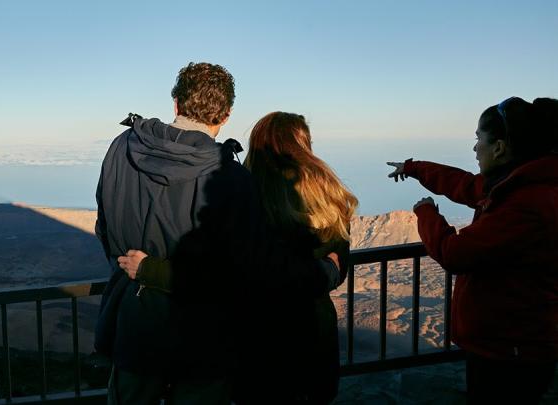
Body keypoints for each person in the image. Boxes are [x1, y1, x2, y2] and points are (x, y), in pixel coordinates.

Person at [120, 112, 357, 403]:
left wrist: (149, 269)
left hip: (258, 342)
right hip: (313, 337)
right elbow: (335, 264)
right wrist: (327, 273)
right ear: (303, 144)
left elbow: (230, 275)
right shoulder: (331, 198)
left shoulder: (246, 194)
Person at [94, 62, 253, 404]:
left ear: (177, 104)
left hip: (135, 326)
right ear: (225, 116)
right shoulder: (232, 176)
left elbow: (104, 225)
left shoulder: (123, 148)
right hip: (204, 339)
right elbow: (237, 271)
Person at [387, 97, 558, 404]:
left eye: (479, 139)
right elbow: (465, 185)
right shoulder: (517, 183)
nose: (475, 149)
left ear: (500, 147)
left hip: (509, 350)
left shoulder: (526, 202)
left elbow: (455, 253)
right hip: (509, 342)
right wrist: (414, 169)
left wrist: (427, 214)